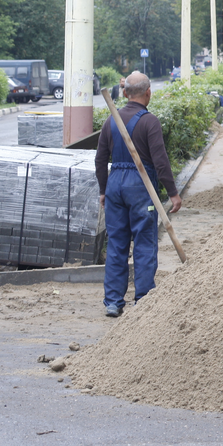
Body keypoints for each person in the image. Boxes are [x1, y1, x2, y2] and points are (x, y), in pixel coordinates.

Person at [95, 72, 182, 317]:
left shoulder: (110, 121)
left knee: (116, 244)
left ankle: (113, 302)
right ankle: (143, 298)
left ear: (124, 93)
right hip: (140, 185)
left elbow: (100, 160)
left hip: (115, 185)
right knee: (144, 243)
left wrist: (104, 190)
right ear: (148, 93)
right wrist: (173, 193)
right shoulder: (149, 122)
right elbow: (161, 162)